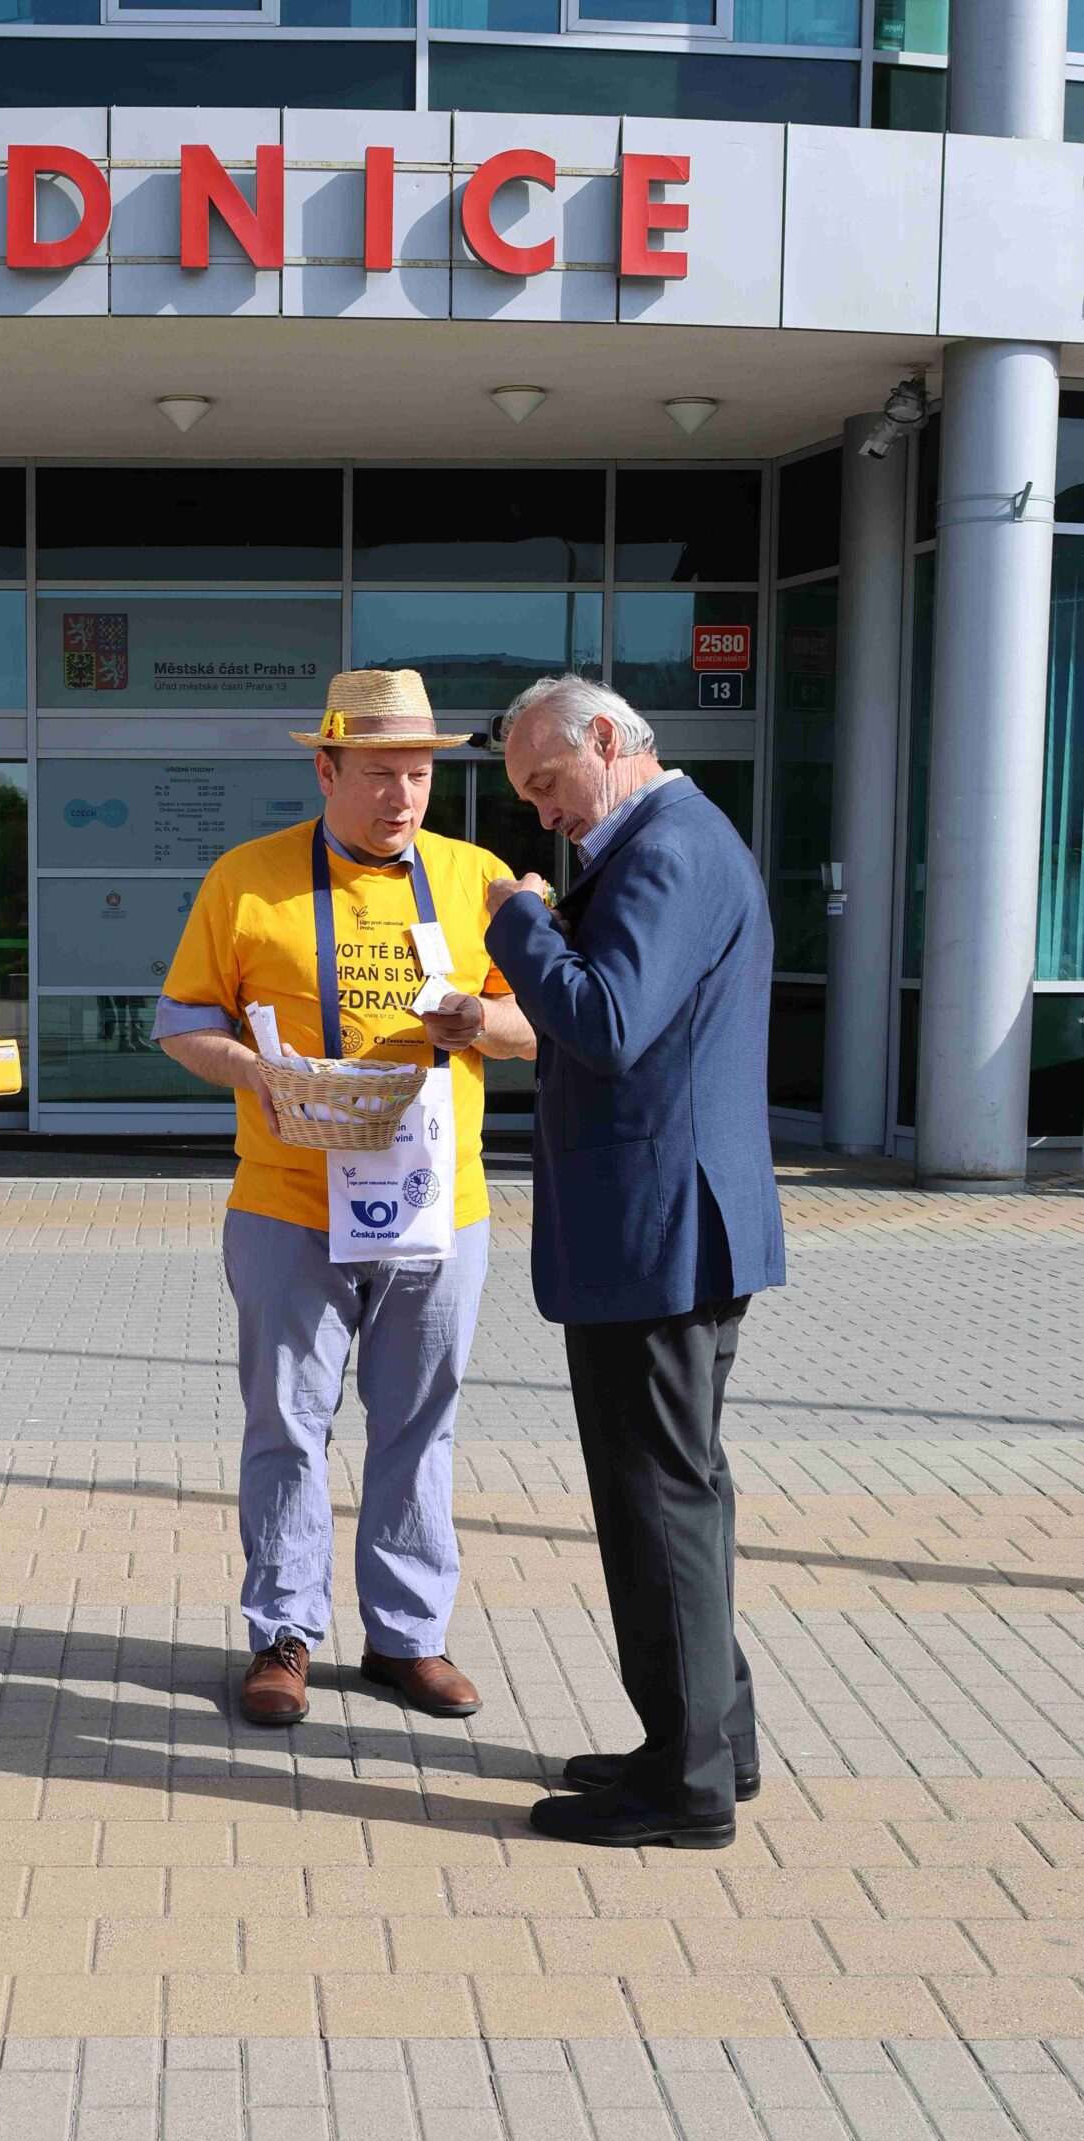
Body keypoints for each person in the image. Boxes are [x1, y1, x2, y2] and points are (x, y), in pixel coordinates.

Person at [156, 667, 535, 1727]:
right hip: (289, 1201)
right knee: (287, 1422)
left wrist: (482, 1024)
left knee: (419, 1422)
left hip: (439, 1203)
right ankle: (282, 1633)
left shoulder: (478, 879)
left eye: (416, 774)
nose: (400, 796)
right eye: (376, 774)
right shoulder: (247, 879)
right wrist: (259, 1074)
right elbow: (181, 1022)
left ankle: (408, 1639)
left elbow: (536, 1026)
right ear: (325, 770)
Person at [485, 674, 786, 1850]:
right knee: (680, 1498)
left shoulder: (667, 848)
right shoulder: (673, 842)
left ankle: (683, 1787)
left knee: (658, 1505)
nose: (544, 812)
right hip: (667, 1231)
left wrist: (521, 922)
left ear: (606, 739)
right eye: (529, 796)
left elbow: (607, 1022)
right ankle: (707, 1744)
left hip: (657, 1237)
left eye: (547, 783)